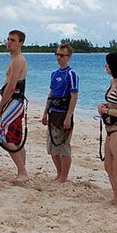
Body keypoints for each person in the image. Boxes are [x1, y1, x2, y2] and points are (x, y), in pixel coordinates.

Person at [0, 30, 30, 185]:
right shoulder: (15, 59)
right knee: (15, 138)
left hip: (14, 102)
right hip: (14, 102)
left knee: (5, 137)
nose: (9, 42)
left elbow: (11, 87)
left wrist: (1, 106)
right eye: (8, 39)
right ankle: (22, 171)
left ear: (20, 43)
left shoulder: (18, 60)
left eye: (13, 40)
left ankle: (22, 172)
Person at [97, 52, 117, 206]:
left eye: (108, 64)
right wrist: (105, 106)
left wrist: (106, 111)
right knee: (108, 166)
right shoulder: (113, 82)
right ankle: (116, 196)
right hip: (110, 129)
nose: (105, 67)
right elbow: (113, 104)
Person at [42, 43, 78, 182]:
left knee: (63, 146)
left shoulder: (71, 74)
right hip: (53, 112)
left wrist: (68, 117)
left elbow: (74, 96)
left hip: (64, 113)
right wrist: (45, 113)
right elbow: (51, 94)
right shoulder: (54, 74)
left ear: (69, 57)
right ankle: (59, 173)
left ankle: (64, 176)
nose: (59, 57)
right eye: (57, 54)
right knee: (52, 147)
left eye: (62, 55)